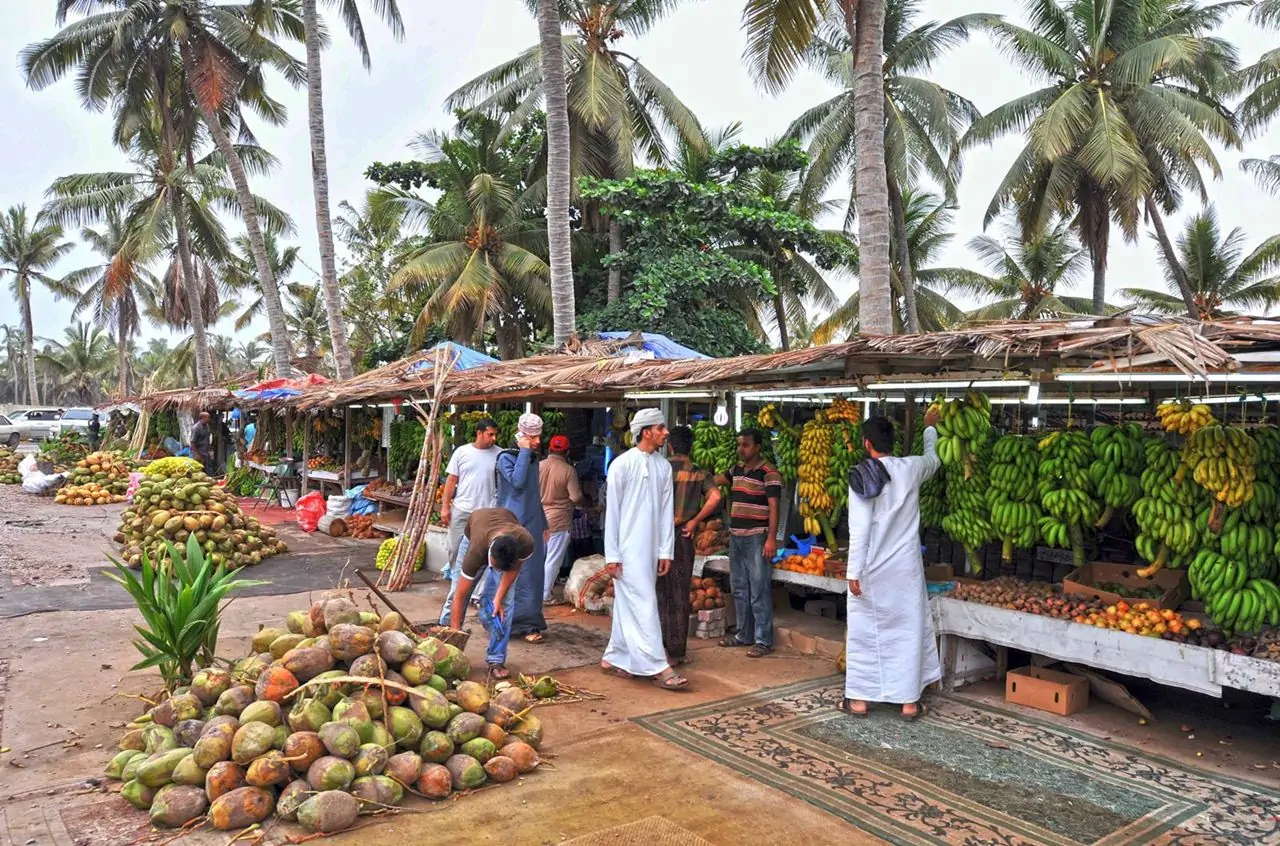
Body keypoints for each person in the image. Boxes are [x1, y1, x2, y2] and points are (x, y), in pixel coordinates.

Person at [841, 410, 943, 721]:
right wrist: (929, 430)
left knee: (864, 633)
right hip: (905, 570)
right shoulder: (911, 468)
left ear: (866, 443)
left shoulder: (861, 475)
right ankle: (909, 703)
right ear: (893, 443)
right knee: (907, 633)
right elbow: (933, 460)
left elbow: (859, 529)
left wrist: (853, 572)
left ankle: (859, 700)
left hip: (871, 569)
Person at [600, 408, 687, 690]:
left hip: (650, 550)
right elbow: (611, 513)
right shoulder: (621, 466)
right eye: (661, 428)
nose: (666, 432)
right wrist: (612, 555)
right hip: (626, 549)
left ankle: (614, 657)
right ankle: (658, 665)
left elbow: (665, 513)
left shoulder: (663, 467)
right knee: (645, 603)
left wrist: (665, 551)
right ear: (646, 431)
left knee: (630, 602)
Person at [446, 507, 535, 680]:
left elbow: (512, 572)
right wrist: (456, 636)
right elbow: (459, 596)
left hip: (504, 522)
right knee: (457, 592)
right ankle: (447, 639)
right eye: (494, 567)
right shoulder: (476, 551)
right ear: (489, 557)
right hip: (475, 528)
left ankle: (496, 659)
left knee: (506, 604)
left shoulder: (525, 543)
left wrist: (498, 598)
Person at [715, 429, 782, 658]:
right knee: (740, 587)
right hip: (736, 536)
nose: (740, 449)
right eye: (739, 445)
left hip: (757, 536)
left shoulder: (769, 473)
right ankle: (744, 634)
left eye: (745, 445)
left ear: (757, 447)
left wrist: (771, 538)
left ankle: (763, 640)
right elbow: (715, 481)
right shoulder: (736, 470)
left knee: (759, 588)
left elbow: (774, 507)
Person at [660, 425, 722, 667]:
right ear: (691, 446)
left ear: (670, 445)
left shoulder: (660, 468)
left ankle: (657, 647)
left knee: (657, 592)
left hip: (657, 535)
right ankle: (676, 651)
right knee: (679, 592)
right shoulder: (699, 473)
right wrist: (695, 520)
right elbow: (716, 496)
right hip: (682, 536)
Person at [437, 419, 501, 625]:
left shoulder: (500, 454)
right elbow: (451, 481)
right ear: (479, 433)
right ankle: (458, 587)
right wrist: (445, 507)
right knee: (456, 551)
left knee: (483, 557)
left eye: (495, 434)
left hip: (486, 515)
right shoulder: (462, 453)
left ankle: (468, 591)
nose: (494, 438)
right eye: (490, 434)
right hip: (462, 511)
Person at [497, 413, 549, 643]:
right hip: (512, 523)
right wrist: (524, 450)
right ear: (521, 435)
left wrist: (544, 522)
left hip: (533, 522)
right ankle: (503, 621)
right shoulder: (506, 458)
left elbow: (534, 494)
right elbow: (517, 483)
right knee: (511, 574)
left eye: (538, 436)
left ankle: (530, 624)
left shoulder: (531, 458)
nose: (537, 441)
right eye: (532, 437)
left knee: (533, 576)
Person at [539, 434, 582, 602]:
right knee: (553, 560)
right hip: (559, 519)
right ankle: (544, 595)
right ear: (567, 452)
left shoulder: (538, 466)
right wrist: (586, 502)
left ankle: (534, 593)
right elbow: (576, 497)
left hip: (539, 518)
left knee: (538, 558)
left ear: (549, 449)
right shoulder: (568, 470)